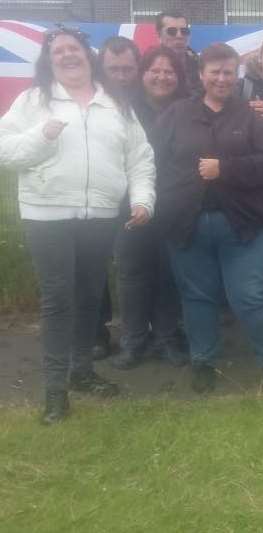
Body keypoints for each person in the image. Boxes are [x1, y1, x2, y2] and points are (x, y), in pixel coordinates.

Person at [0, 27, 155, 424]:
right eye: (58, 52)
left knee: (89, 297)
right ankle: (55, 393)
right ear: (49, 62)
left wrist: (142, 199)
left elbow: (140, 157)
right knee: (58, 300)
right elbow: (5, 151)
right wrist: (42, 134)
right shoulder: (34, 100)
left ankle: (82, 372)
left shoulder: (115, 103)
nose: (68, 56)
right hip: (47, 215)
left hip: (100, 216)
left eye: (74, 49)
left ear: (88, 56)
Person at [153, 43, 263, 394]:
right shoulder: (175, 114)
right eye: (214, 71)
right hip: (188, 223)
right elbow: (153, 161)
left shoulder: (251, 115)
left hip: (243, 224)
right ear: (200, 74)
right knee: (198, 297)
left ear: (237, 75)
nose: (221, 78)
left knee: (251, 295)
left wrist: (225, 169)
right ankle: (203, 361)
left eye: (228, 72)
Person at [109, 46, 189, 370]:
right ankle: (133, 341)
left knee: (169, 273)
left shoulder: (188, 108)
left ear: (178, 77)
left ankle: (166, 338)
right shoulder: (122, 108)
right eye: (155, 70)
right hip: (131, 205)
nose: (162, 77)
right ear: (142, 74)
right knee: (131, 273)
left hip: (174, 206)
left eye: (169, 71)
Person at [92, 35, 144, 360]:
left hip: (137, 196)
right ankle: (97, 333)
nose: (122, 75)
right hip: (96, 195)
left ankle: (135, 333)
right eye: (114, 69)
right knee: (94, 267)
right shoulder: (89, 96)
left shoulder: (144, 96)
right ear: (102, 67)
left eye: (128, 69)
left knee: (130, 269)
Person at [156, 10, 201, 94]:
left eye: (184, 31)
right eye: (172, 31)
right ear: (159, 35)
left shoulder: (201, 66)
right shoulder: (146, 67)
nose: (179, 36)